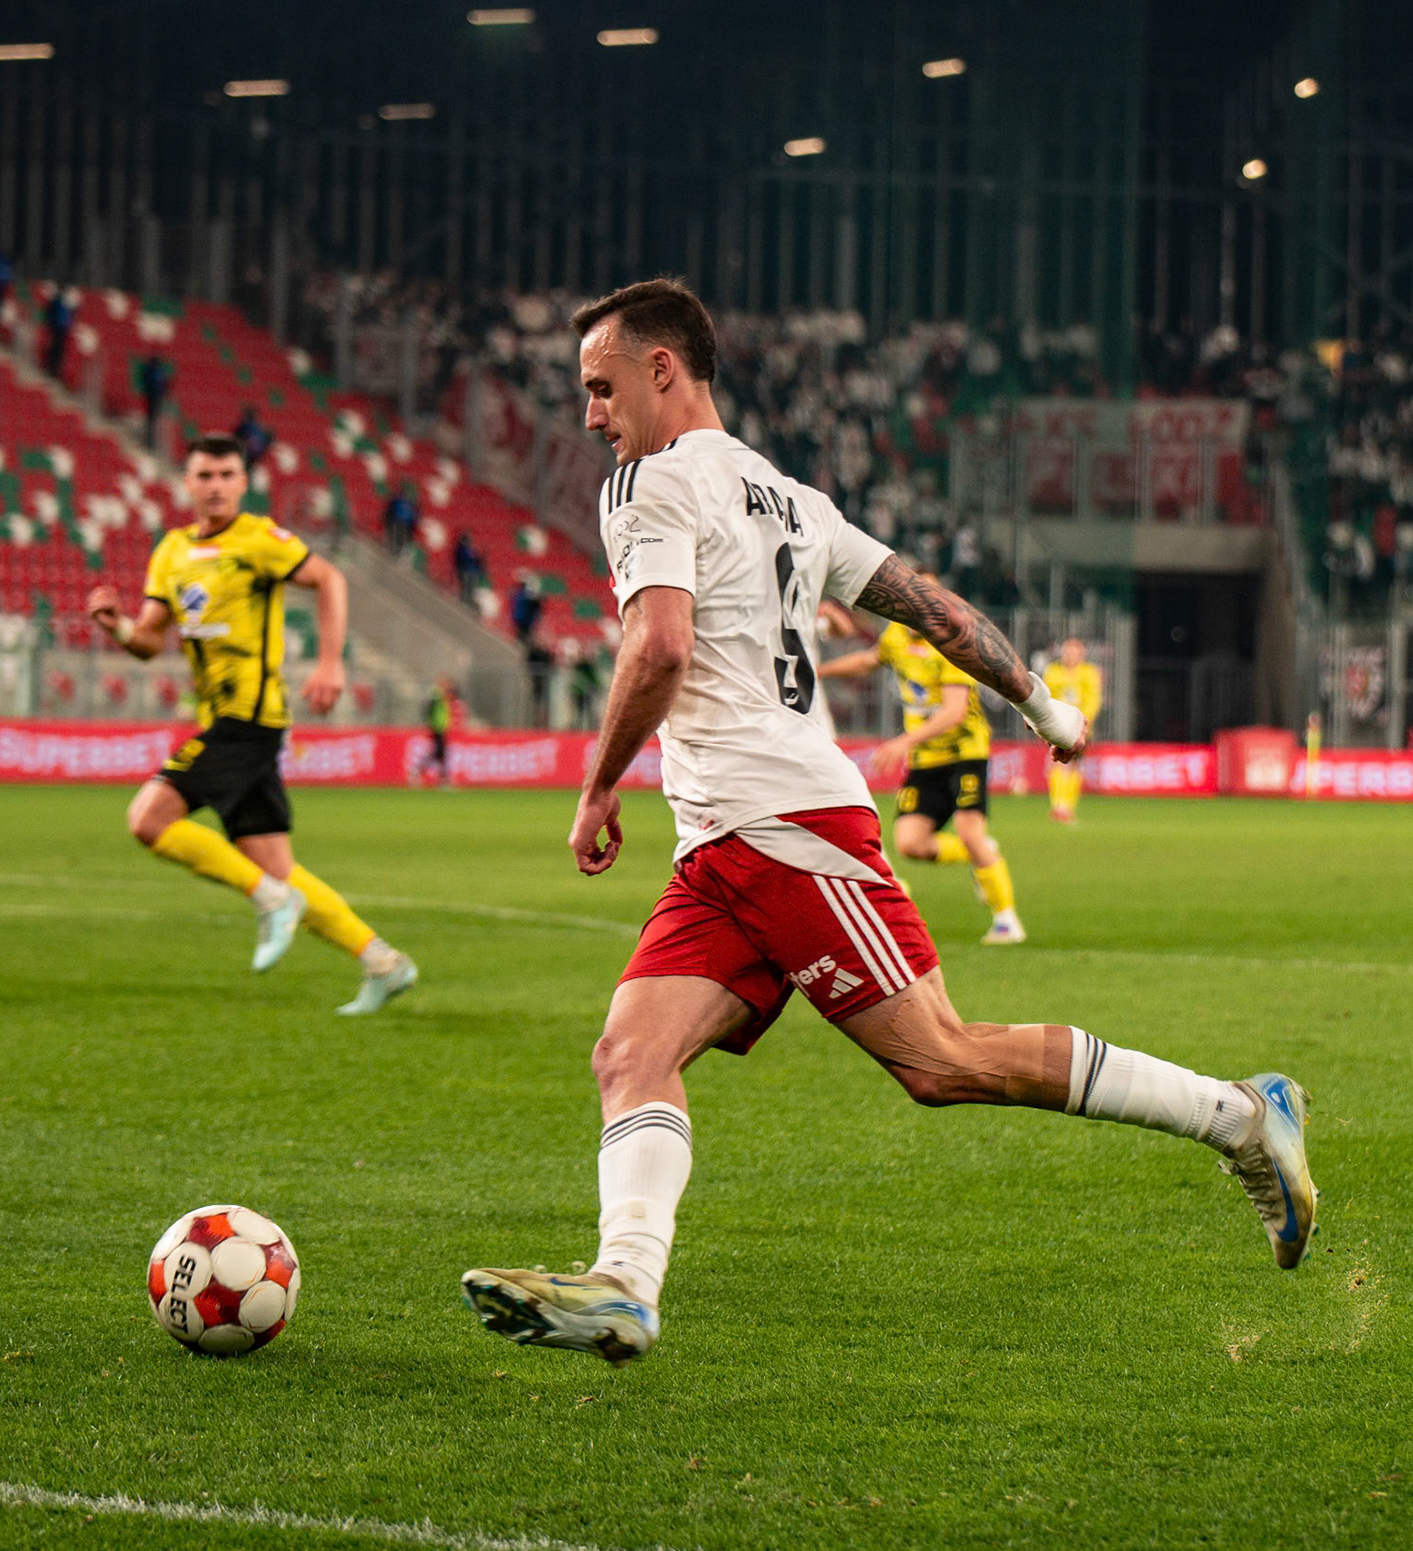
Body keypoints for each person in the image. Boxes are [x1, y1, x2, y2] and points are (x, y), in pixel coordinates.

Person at [459, 277, 1315, 1367]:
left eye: (600, 386)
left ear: (661, 368)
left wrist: (596, 785)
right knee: (630, 1051)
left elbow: (659, 646)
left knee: (941, 1057)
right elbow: (932, 606)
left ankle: (1239, 1115)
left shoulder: (647, 484)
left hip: (786, 827)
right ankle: (624, 1284)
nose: (590, 414)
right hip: (722, 844)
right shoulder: (796, 502)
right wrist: (1042, 704)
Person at [88, 433, 415, 1015]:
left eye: (226, 475)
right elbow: (148, 641)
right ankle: (383, 963)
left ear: (243, 483)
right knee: (277, 867)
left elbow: (329, 579)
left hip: (251, 719)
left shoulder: (259, 539)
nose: (215, 486)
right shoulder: (172, 551)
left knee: (148, 820)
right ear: (187, 483)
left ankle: (270, 902)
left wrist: (331, 662)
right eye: (204, 476)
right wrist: (116, 626)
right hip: (222, 719)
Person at [816, 568, 1025, 945]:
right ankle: (980, 855)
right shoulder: (896, 635)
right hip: (926, 757)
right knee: (910, 844)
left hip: (964, 751)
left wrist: (902, 742)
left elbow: (953, 712)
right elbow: (869, 660)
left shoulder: (951, 643)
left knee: (969, 830)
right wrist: (819, 671)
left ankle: (1006, 921)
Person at [1044, 638, 1103, 822]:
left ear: (1082, 654)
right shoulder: (1053, 671)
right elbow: (1047, 698)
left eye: (1075, 651)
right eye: (1068, 651)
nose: (1071, 655)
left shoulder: (1089, 672)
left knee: (1075, 764)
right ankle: (1057, 805)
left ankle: (1067, 806)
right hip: (1057, 725)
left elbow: (1093, 699)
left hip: (1081, 727)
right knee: (1057, 762)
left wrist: (1084, 722)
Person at [139, 354, 174, 451]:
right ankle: (150, 442)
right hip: (153, 398)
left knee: (153, 421)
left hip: (155, 398)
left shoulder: (156, 371)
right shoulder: (155, 371)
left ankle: (151, 442)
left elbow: (164, 384)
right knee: (152, 420)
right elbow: (161, 385)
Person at [453, 530, 485, 606]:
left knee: (472, 587)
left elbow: (477, 561)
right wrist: (474, 558)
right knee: (465, 587)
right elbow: (463, 558)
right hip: (465, 570)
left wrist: (480, 566)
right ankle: (464, 601)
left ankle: (469, 601)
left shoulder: (471, 550)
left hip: (473, 572)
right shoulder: (461, 549)